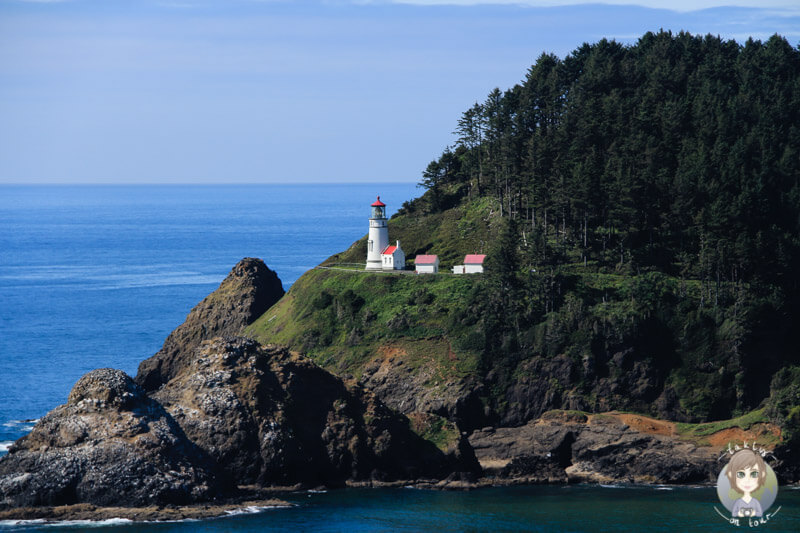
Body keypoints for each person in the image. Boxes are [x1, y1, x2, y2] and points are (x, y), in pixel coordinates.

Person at [726, 448, 767, 518]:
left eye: (754, 474)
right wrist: (739, 513)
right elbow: (733, 514)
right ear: (731, 475)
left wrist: (754, 513)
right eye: (741, 474)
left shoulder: (755, 502)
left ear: (762, 475)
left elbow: (760, 513)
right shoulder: (738, 502)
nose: (747, 480)